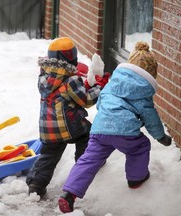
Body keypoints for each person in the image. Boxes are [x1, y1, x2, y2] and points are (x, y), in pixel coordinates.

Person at [58, 41, 172, 213]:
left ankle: (69, 193)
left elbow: (101, 102)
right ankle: (136, 179)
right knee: (140, 146)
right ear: (151, 74)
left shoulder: (113, 83)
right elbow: (151, 118)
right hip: (126, 133)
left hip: (100, 130)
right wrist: (160, 136)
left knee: (89, 159)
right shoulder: (143, 91)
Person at [26, 37, 110, 198]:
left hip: (48, 127)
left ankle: (36, 185)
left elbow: (63, 95)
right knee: (87, 134)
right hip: (70, 126)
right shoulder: (71, 79)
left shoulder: (44, 76)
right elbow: (86, 100)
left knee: (48, 155)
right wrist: (100, 86)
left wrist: (83, 85)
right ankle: (85, 163)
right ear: (70, 57)